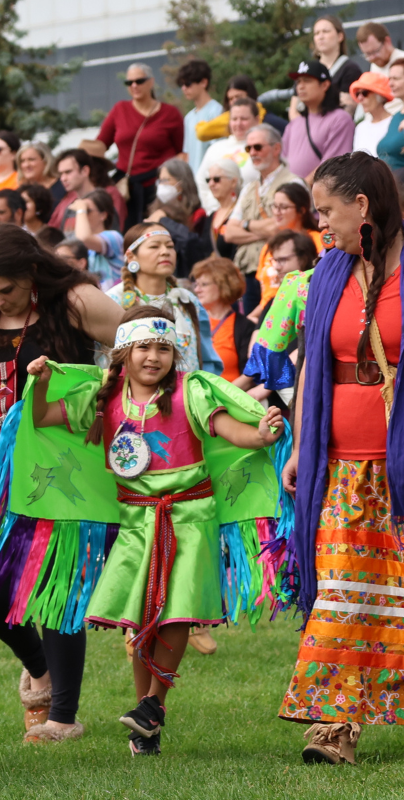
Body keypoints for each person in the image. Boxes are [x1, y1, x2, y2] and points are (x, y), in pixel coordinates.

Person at [20, 305, 283, 756]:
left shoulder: (190, 392)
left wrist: (258, 435)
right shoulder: (104, 397)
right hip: (136, 519)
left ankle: (152, 705)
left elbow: (226, 429)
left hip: (188, 516)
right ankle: (148, 719)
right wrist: (41, 385)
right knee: (140, 622)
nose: (154, 356)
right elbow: (43, 418)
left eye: (164, 348)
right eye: (144, 346)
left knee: (176, 612)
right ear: (124, 352)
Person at [0, 225, 123, 745]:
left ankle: (63, 718)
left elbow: (148, 346)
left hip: (65, 464)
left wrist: (100, 399)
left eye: (5, 290)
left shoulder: (75, 300)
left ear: (31, 272)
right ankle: (40, 672)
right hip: (0, 466)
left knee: (57, 586)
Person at [280, 151, 404, 766]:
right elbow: (312, 369)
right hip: (344, 466)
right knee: (342, 594)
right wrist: (303, 445)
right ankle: (334, 730)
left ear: (363, 206)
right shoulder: (330, 272)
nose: (320, 225)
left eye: (326, 210)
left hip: (399, 463)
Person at [105, 223, 221, 375]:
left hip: (186, 395)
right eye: (154, 246)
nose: (165, 252)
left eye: (170, 246)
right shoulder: (113, 301)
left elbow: (207, 360)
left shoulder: (187, 300)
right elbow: (105, 361)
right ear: (131, 257)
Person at [99, 63, 186, 225]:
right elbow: (100, 144)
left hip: (160, 187)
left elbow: (181, 152)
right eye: (129, 82)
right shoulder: (120, 109)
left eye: (139, 81)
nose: (134, 86)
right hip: (128, 189)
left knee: (160, 228)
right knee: (130, 233)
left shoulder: (170, 113)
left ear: (151, 82)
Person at [240, 230, 319, 395]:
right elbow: (256, 359)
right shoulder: (272, 302)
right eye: (274, 260)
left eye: (282, 260)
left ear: (304, 258)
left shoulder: (318, 296)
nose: (276, 266)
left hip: (302, 389)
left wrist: (260, 391)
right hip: (273, 392)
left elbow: (306, 351)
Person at [223, 124, 301, 274]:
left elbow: (281, 227)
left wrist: (245, 224)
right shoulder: (248, 189)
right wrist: (264, 230)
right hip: (246, 270)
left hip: (278, 271)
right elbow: (229, 233)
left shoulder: (293, 184)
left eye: (258, 147)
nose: (252, 153)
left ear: (276, 148)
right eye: (248, 148)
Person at [255, 183, 325, 313]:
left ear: (302, 210)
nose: (277, 212)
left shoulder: (317, 241)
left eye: (283, 207)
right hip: (268, 313)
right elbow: (266, 296)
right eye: (275, 206)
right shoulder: (269, 246)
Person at [286, 60, 356, 181]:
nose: (301, 86)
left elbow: (333, 164)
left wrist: (300, 188)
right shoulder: (294, 123)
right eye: (298, 82)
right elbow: (282, 161)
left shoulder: (340, 119)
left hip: (319, 196)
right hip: (291, 195)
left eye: (307, 81)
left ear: (325, 85)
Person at [191, 256, 254, 383]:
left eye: (204, 284)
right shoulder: (191, 321)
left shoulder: (244, 326)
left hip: (229, 397)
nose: (197, 290)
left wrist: (222, 396)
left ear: (223, 286)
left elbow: (250, 375)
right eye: (196, 284)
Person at [51, 150, 126, 230]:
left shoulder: (104, 200)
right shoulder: (69, 206)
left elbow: (114, 236)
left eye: (68, 172)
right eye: (61, 174)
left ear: (85, 171)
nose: (63, 178)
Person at [70, 189, 127, 285]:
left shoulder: (114, 237)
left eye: (87, 210)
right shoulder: (83, 242)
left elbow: (84, 238)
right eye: (82, 211)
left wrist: (80, 209)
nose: (82, 215)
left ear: (103, 215)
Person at [177, 59, 224, 168]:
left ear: (203, 82)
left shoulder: (216, 111)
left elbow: (218, 150)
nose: (184, 88)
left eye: (188, 83)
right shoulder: (188, 117)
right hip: (193, 181)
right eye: (181, 84)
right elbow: (187, 154)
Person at [203, 157, 246, 259]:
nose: (211, 184)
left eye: (217, 179)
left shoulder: (241, 213)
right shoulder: (211, 216)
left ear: (233, 182)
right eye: (208, 180)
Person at [352, 72, 395, 156]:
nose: (360, 98)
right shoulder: (360, 127)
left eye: (365, 93)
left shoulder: (395, 123)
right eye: (357, 94)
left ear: (380, 95)